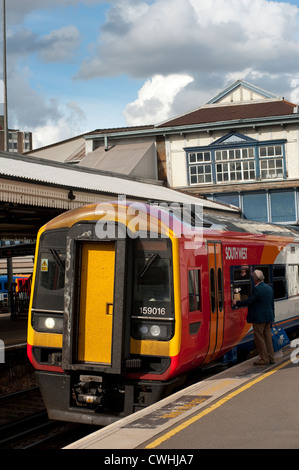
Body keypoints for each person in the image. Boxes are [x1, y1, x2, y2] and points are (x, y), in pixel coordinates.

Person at [232, 269, 275, 366]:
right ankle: (271, 358)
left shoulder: (257, 289)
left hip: (259, 318)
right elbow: (272, 304)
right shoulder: (269, 288)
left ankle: (264, 359)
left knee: (259, 339)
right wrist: (273, 317)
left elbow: (249, 302)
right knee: (268, 338)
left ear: (255, 280)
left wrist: (237, 302)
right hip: (268, 317)